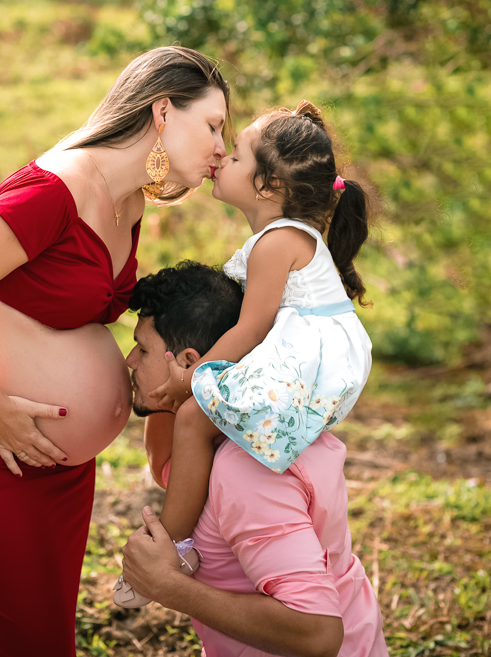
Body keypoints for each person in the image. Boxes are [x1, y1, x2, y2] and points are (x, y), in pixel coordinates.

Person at [0, 46, 230, 657]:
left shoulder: (129, 200)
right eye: (212, 125)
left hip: (59, 473)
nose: (220, 147)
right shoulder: (55, 190)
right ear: (163, 110)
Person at [115, 99, 373, 606]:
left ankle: (171, 546)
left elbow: (253, 326)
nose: (220, 160)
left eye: (234, 156)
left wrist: (197, 379)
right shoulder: (275, 239)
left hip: (308, 361)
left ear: (270, 185)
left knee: (193, 418)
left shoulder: (278, 242)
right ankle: (186, 535)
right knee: (197, 419)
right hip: (308, 356)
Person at [121, 262, 388, 657]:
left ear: (189, 360)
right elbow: (165, 464)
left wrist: (169, 586)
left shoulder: (246, 468)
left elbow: (317, 633)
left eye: (142, 348)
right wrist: (183, 389)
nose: (129, 360)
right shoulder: (214, 440)